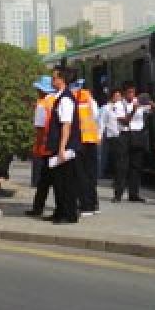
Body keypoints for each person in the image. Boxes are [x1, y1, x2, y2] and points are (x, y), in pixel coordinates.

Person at [46, 68, 82, 224]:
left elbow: (66, 125)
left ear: (62, 80)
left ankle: (69, 214)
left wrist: (62, 148)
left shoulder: (66, 99)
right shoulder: (59, 98)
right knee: (58, 182)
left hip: (65, 148)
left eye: (54, 78)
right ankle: (59, 211)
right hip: (59, 146)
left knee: (66, 182)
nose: (52, 81)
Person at [25, 76, 57, 218]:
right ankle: (45, 207)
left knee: (44, 181)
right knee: (56, 180)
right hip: (56, 147)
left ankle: (38, 208)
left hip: (45, 148)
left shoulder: (42, 104)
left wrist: (36, 149)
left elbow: (39, 128)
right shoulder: (56, 100)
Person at [116, 81, 153, 202]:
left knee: (136, 166)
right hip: (125, 135)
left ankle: (134, 194)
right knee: (122, 165)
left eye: (133, 92)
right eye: (129, 92)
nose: (131, 95)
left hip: (138, 135)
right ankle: (118, 194)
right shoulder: (119, 105)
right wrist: (133, 110)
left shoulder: (139, 101)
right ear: (124, 93)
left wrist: (151, 105)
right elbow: (124, 121)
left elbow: (152, 110)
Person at [73, 78, 101, 215]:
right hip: (91, 140)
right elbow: (96, 117)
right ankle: (93, 203)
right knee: (91, 174)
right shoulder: (90, 99)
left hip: (79, 141)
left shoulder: (71, 99)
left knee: (81, 175)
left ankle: (85, 205)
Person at [99, 87, 124, 194]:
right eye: (116, 96)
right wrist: (99, 137)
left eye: (119, 96)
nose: (117, 98)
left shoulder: (124, 107)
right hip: (112, 137)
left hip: (123, 136)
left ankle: (120, 182)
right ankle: (116, 182)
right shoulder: (106, 108)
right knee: (116, 162)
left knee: (122, 161)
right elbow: (102, 123)